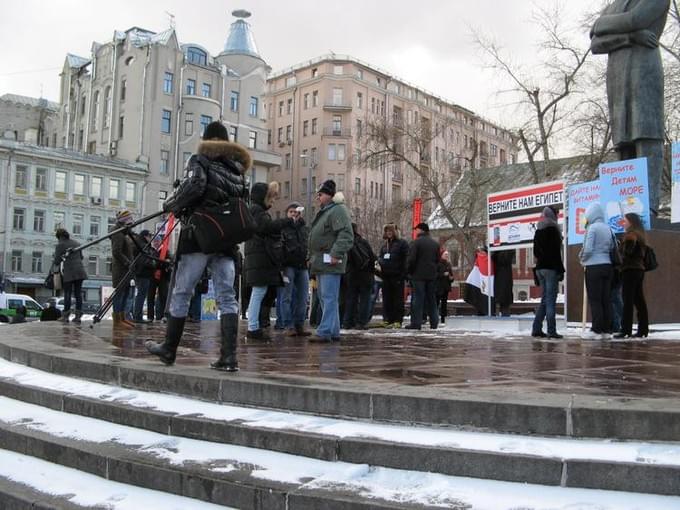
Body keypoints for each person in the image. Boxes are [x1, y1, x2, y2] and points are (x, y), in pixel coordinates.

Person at [146, 120, 250, 372]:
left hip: (198, 238)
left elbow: (193, 187)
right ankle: (228, 357)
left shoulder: (199, 160)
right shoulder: (239, 172)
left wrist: (170, 203)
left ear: (207, 140)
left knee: (183, 291)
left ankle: (169, 348)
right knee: (227, 297)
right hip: (226, 241)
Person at [590, 0, 670, 213]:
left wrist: (602, 24)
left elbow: (636, 19)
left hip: (644, 72)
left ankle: (649, 206)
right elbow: (596, 43)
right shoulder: (615, 5)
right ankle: (622, 208)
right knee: (623, 143)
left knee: (646, 136)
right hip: (617, 79)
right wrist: (630, 37)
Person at [243, 181, 291, 340]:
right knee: (258, 292)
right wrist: (288, 221)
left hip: (257, 259)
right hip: (260, 258)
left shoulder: (254, 210)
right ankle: (253, 328)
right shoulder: (258, 212)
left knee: (259, 292)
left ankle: (254, 326)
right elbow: (267, 228)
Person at [307, 179, 354, 342]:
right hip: (321, 261)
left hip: (330, 261)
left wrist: (336, 253)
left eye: (320, 194)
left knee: (328, 297)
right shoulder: (326, 211)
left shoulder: (337, 210)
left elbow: (346, 235)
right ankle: (333, 331)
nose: (317, 197)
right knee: (326, 297)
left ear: (328, 195)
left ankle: (325, 331)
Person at [579, 203, 615, 339]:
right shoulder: (608, 228)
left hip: (594, 267)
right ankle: (606, 330)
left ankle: (596, 329)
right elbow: (612, 246)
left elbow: (588, 249)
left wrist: (582, 260)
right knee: (605, 298)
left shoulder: (592, 228)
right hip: (608, 266)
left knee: (595, 299)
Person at [531, 207, 565, 339]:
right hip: (551, 268)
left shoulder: (538, 230)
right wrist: (560, 270)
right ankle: (551, 330)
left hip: (540, 268)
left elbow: (535, 252)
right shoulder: (554, 230)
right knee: (550, 300)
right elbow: (556, 253)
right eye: (557, 214)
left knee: (545, 299)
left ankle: (536, 328)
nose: (558, 216)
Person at [615, 213, 650, 338]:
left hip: (629, 270)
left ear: (631, 222)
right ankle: (643, 329)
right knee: (639, 300)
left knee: (628, 300)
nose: (623, 223)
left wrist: (620, 245)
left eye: (625, 221)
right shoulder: (640, 235)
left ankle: (626, 329)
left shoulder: (630, 235)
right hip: (639, 270)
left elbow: (627, 253)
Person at [280, 202, 311, 337]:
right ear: (287, 213)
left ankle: (299, 324)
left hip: (302, 266)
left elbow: (309, 245)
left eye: (296, 212)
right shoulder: (283, 229)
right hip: (288, 266)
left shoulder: (305, 229)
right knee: (286, 296)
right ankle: (288, 325)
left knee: (303, 297)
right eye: (291, 212)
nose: (294, 214)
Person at [405, 223, 440, 330]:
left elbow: (411, 260)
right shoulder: (435, 244)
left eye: (416, 229)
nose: (415, 231)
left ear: (421, 230)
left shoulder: (415, 243)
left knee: (418, 300)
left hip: (418, 276)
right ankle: (434, 322)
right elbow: (438, 260)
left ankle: (416, 323)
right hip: (431, 275)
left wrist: (409, 272)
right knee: (432, 299)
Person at [343, 223, 376, 329]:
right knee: (365, 300)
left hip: (352, 274)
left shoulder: (346, 242)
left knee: (351, 299)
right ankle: (361, 322)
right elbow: (372, 257)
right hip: (366, 275)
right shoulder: (363, 242)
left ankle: (348, 322)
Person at [53, 228, 88, 324]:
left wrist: (60, 257)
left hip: (69, 271)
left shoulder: (60, 245)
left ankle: (65, 316)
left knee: (67, 293)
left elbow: (56, 261)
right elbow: (81, 257)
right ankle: (78, 316)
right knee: (78, 293)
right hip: (80, 271)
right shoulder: (76, 243)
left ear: (59, 237)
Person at [377, 224, 409, 328]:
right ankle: (387, 319)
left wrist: (403, 274)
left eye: (390, 231)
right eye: (387, 231)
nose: (388, 233)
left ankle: (397, 320)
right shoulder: (384, 246)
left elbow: (406, 259)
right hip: (386, 276)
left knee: (397, 299)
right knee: (387, 298)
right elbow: (380, 257)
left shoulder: (402, 244)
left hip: (397, 276)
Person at [110, 210, 136, 328]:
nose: (131, 225)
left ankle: (122, 318)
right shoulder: (118, 233)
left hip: (126, 268)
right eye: (129, 222)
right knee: (119, 294)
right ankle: (117, 319)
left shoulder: (124, 233)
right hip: (121, 269)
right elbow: (116, 252)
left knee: (125, 293)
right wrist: (127, 263)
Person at [132, 229, 156, 324]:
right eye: (150, 236)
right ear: (145, 236)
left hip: (142, 273)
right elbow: (145, 260)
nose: (151, 238)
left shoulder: (141, 244)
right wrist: (153, 263)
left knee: (141, 295)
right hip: (143, 273)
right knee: (141, 295)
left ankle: (137, 315)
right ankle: (138, 316)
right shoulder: (143, 246)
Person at [492, 250, 515, 317]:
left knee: (496, 307)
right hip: (506, 287)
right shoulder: (508, 254)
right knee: (505, 307)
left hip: (496, 285)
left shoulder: (494, 256)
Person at [436, 251, 454, 324]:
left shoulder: (448, 264)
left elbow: (451, 275)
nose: (447, 255)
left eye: (447, 254)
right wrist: (443, 274)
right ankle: (435, 318)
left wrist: (451, 278)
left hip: (446, 286)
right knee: (436, 303)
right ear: (441, 255)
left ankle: (443, 319)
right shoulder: (437, 264)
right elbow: (435, 275)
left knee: (444, 303)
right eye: (445, 254)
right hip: (438, 287)